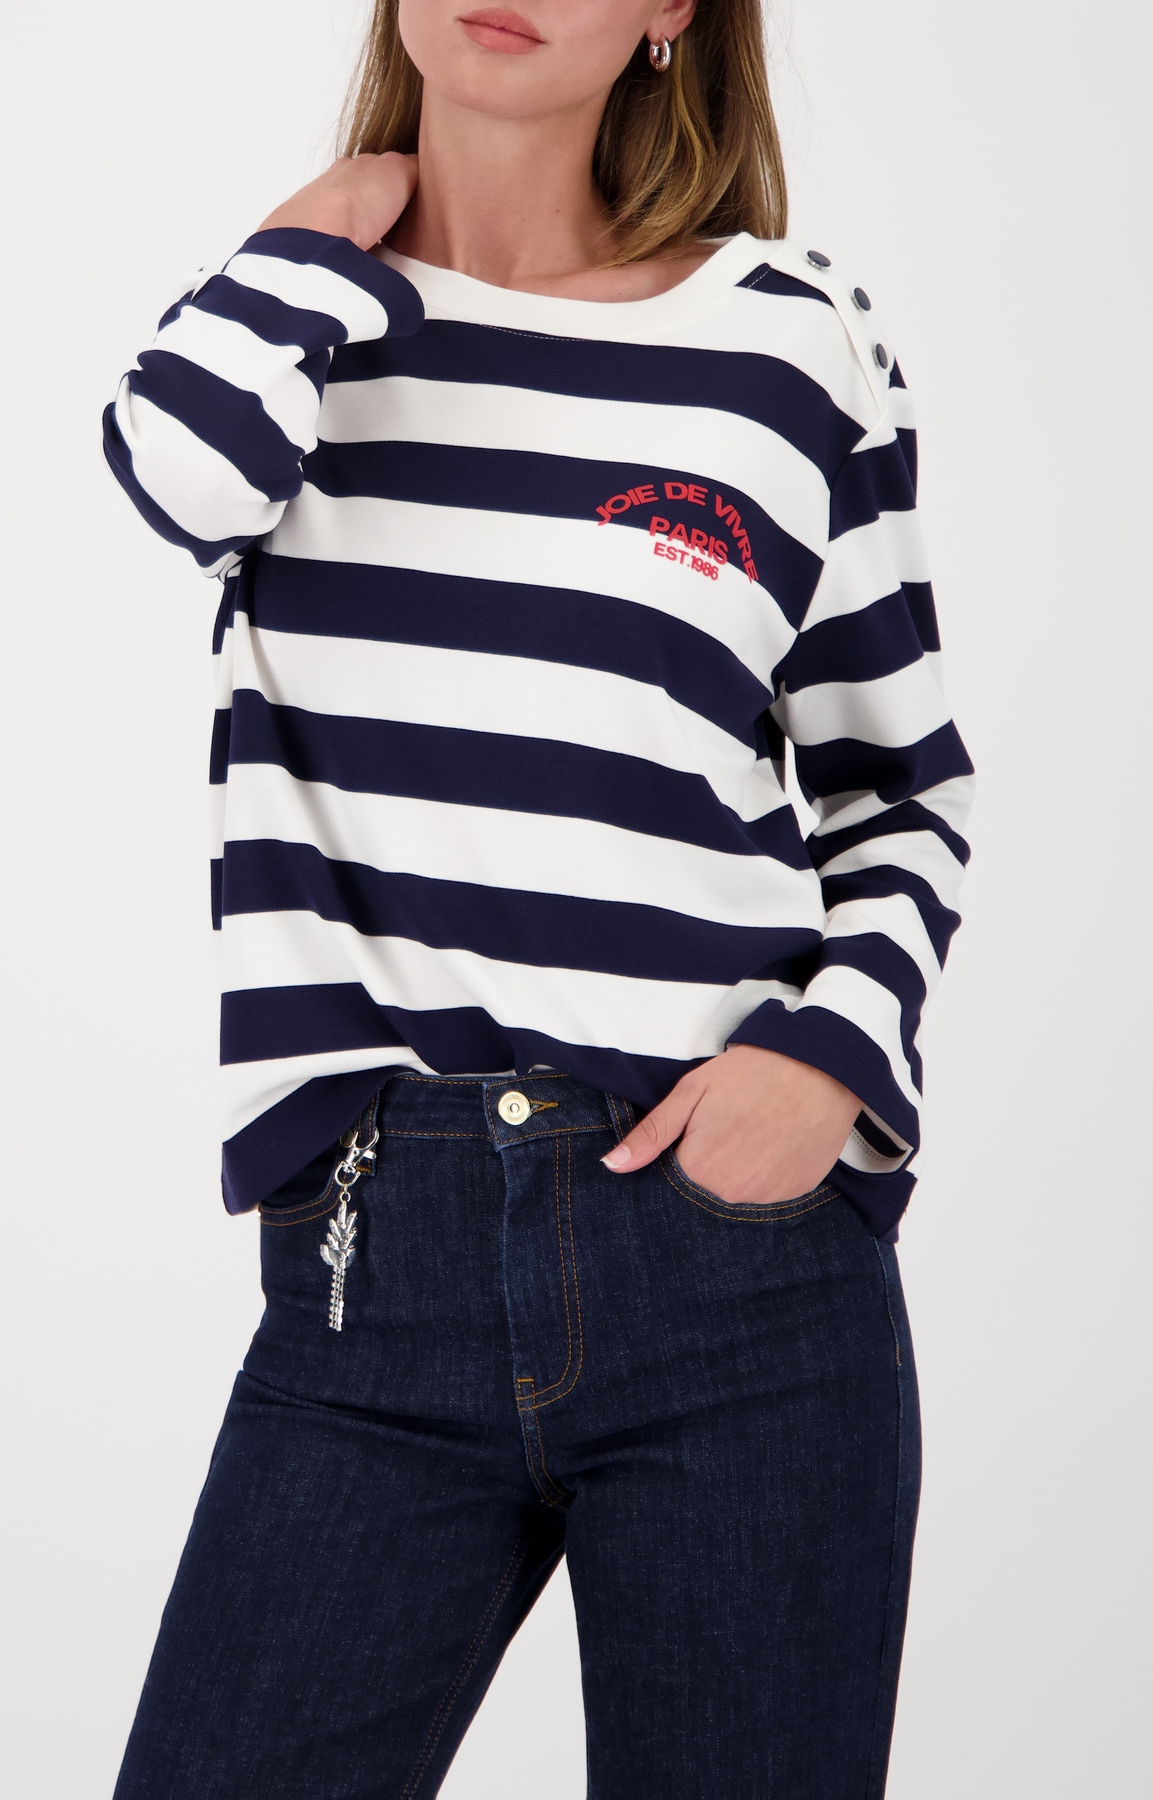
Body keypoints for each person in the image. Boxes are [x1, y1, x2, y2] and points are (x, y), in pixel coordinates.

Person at [102, 2, 974, 1794]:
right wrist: (324, 223)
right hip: (372, 1265)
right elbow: (170, 473)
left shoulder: (789, 344)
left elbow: (902, 784)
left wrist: (824, 1067)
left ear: (670, 14)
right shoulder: (286, 328)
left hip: (734, 1265)